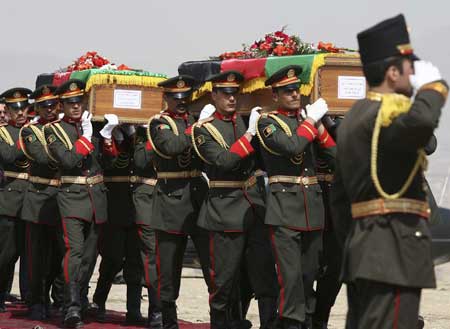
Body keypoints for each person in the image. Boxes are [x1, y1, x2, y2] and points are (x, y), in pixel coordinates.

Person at [330, 14, 448, 329]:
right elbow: (422, 123)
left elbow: (339, 200)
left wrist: (357, 244)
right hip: (393, 253)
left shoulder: (353, 117)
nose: (414, 74)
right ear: (393, 72)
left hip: (364, 250)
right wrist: (435, 87)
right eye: (410, 68)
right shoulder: (385, 115)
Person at [255, 66, 336, 329]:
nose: (294, 94)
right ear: (275, 95)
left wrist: (322, 125)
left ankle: (306, 321)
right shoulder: (267, 123)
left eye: (296, 89)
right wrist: (311, 122)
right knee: (290, 278)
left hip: (312, 209)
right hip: (284, 210)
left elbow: (337, 157)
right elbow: (293, 146)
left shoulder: (308, 122)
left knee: (308, 275)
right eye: (287, 91)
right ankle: (290, 323)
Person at [191, 71, 265, 329]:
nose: (231, 99)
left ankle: (238, 319)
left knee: (254, 276)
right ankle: (220, 323)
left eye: (235, 93)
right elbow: (224, 160)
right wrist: (250, 135)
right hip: (224, 209)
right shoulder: (204, 129)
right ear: (215, 95)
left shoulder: (245, 121)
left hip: (254, 207)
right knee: (223, 279)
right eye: (226, 94)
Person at [146, 75, 210, 329]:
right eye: (176, 98)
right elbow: (172, 145)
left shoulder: (195, 121)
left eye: (186, 98)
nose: (182, 102)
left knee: (211, 263)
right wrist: (200, 126)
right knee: (169, 268)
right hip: (171, 200)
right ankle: (167, 319)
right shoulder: (159, 123)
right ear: (166, 98)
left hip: (198, 197)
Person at [43, 79, 108, 328]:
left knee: (90, 257)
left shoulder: (91, 123)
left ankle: (80, 298)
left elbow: (107, 162)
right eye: (70, 102)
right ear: (62, 104)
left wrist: (112, 137)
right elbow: (68, 160)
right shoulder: (54, 130)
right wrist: (87, 136)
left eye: (79, 101)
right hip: (71, 196)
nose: (75, 106)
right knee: (76, 252)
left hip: (96, 197)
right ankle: (70, 307)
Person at [91, 117, 145, 325]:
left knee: (135, 260)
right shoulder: (105, 134)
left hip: (136, 204)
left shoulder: (138, 135)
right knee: (112, 258)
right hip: (114, 203)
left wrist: (134, 133)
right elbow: (109, 162)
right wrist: (110, 133)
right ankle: (99, 300)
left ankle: (134, 310)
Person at [20, 85, 65, 320]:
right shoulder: (30, 131)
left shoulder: (64, 128)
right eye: (44, 106)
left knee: (60, 255)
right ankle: (36, 301)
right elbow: (42, 156)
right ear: (36, 108)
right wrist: (71, 149)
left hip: (62, 199)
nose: (50, 109)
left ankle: (56, 297)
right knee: (37, 256)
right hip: (38, 198)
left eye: (53, 105)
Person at [0, 87, 32, 312]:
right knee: (6, 254)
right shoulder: (2, 133)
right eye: (15, 109)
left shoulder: (36, 131)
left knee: (31, 256)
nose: (20, 113)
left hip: (32, 200)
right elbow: (8, 156)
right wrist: (30, 139)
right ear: (8, 112)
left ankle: (31, 299)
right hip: (10, 199)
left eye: (23, 108)